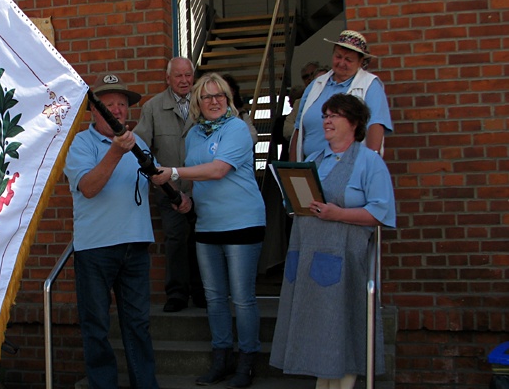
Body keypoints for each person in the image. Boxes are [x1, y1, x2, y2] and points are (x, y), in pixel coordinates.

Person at [64, 73, 188, 389]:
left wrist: (176, 194)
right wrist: (116, 151)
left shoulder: (139, 143)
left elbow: (156, 176)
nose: (117, 110)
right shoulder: (81, 143)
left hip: (135, 245)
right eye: (109, 105)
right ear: (95, 112)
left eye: (122, 104)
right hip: (95, 249)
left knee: (138, 324)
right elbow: (89, 188)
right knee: (96, 326)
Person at [270, 93, 396, 389]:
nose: (326, 120)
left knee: (341, 328)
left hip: (345, 260)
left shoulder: (369, 162)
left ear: (354, 123)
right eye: (325, 115)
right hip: (311, 258)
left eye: (334, 115)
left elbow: (380, 212)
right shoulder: (314, 159)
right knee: (319, 330)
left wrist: (338, 213)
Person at [152, 73, 266, 388]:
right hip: (208, 224)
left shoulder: (238, 129)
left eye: (220, 96)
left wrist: (173, 171)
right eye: (207, 97)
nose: (214, 101)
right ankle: (222, 358)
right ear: (198, 104)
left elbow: (218, 170)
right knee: (215, 298)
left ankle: (247, 361)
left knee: (242, 299)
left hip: (242, 222)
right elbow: (198, 177)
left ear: (228, 100)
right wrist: (185, 196)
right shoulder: (194, 135)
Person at [134, 56, 205, 312]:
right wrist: (163, 184)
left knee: (202, 238)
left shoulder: (204, 103)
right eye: (179, 76)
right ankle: (176, 294)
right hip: (170, 190)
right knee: (175, 239)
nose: (185, 80)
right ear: (168, 79)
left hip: (203, 188)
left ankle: (201, 292)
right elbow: (142, 149)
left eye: (188, 75)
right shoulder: (153, 108)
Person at [289, 30, 393, 162]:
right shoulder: (316, 85)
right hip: (310, 167)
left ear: (361, 61)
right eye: (338, 56)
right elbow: (298, 130)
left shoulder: (370, 85)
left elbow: (375, 125)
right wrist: (293, 168)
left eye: (349, 60)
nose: (342, 63)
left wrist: (370, 165)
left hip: (348, 168)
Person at [222, 74, 259, 145]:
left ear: (233, 92)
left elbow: (253, 137)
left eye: (228, 90)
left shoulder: (242, 114)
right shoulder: (211, 116)